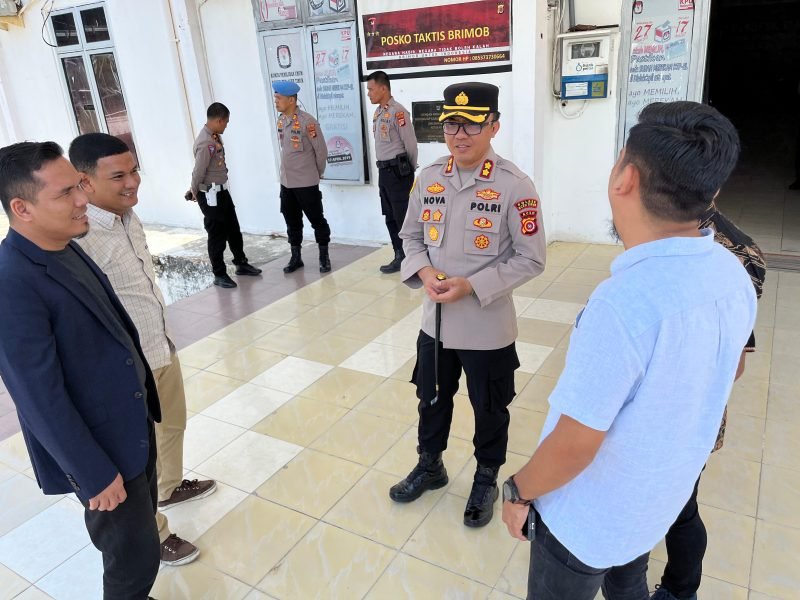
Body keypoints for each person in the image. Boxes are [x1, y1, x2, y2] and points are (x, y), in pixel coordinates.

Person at [500, 101, 758, 600]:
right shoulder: (731, 273)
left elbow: (576, 443)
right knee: (630, 584)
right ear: (714, 191)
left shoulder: (623, 305)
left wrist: (519, 489)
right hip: (655, 501)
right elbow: (732, 369)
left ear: (625, 177)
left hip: (585, 520)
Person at [0, 141, 161, 598]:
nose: (81, 199)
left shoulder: (66, 245)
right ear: (21, 208)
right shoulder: (11, 281)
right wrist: (91, 473)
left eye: (79, 187)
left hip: (131, 431)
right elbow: (37, 397)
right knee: (131, 562)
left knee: (140, 547)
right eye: (65, 192)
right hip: (101, 453)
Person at [393, 82, 546, 528]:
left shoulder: (515, 185)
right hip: (435, 323)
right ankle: (431, 464)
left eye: (473, 124)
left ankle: (485, 475)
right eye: (452, 124)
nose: (461, 134)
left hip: (486, 327)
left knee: (489, 406)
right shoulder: (429, 177)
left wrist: (472, 286)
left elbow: (531, 258)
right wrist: (424, 273)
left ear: (493, 126)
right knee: (432, 398)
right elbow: (410, 237)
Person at [70, 133, 218, 568]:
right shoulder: (80, 235)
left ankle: (171, 488)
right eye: (118, 175)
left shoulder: (126, 215)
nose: (132, 182)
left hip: (158, 346)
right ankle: (153, 534)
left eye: (135, 171)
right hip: (125, 369)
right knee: (137, 459)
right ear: (85, 182)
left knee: (172, 425)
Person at [652, 200, 766, 600]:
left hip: (689, 412)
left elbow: (733, 364)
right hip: (645, 409)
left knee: (681, 509)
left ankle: (680, 590)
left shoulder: (738, 253)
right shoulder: (657, 220)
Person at [188, 102, 262, 288]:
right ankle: (219, 274)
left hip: (221, 192)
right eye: (226, 122)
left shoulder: (213, 136)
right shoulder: (206, 142)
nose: (226, 126)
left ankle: (241, 263)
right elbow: (198, 171)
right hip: (210, 195)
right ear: (219, 120)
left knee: (233, 229)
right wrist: (194, 190)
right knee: (217, 235)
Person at [272, 80, 332, 274]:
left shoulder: (308, 122)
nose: (276, 101)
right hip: (287, 182)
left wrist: (316, 173)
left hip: (306, 182)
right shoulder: (281, 120)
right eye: (275, 97)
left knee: (317, 220)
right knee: (292, 221)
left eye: (279, 98)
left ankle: (324, 257)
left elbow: (321, 151)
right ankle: (296, 257)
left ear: (291, 100)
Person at [367, 70, 418, 274]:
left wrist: (409, 172)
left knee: (403, 216)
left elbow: (411, 145)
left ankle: (412, 257)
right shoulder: (379, 113)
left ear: (383, 88)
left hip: (398, 172)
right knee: (389, 215)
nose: (369, 93)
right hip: (384, 172)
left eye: (371, 89)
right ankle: (399, 254)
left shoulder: (399, 112)